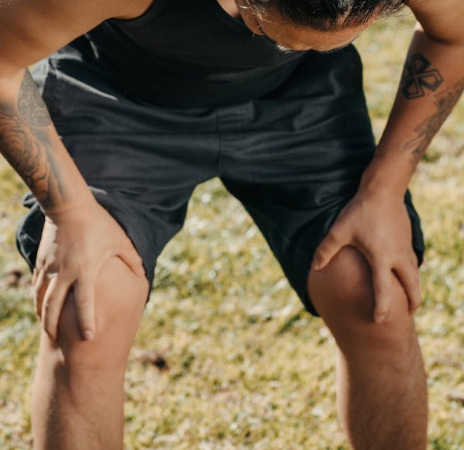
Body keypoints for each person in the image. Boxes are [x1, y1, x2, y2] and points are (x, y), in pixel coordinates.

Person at [0, 0, 463, 448]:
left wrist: (383, 193)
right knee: (88, 309)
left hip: (298, 95)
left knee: (373, 286)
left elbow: (455, 35)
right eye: (273, 36)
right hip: (117, 95)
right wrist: (71, 212)